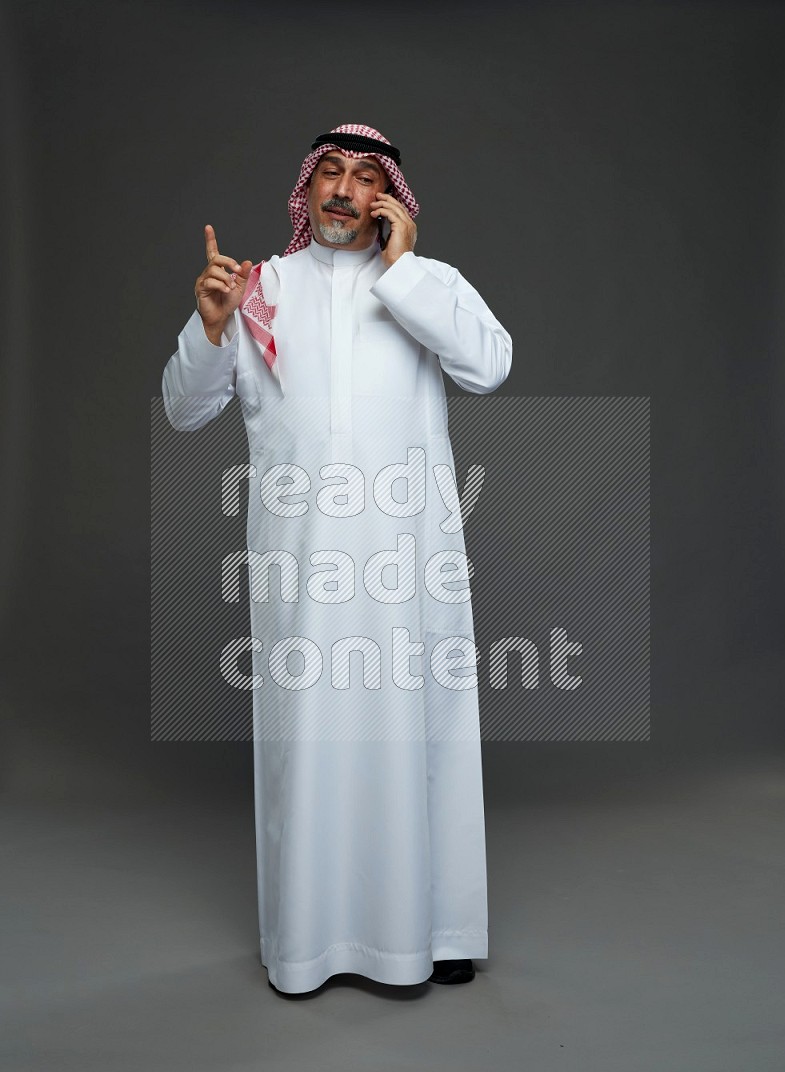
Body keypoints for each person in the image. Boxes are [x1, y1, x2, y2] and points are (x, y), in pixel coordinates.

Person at [161, 123, 512, 994]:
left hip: (408, 563)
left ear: (388, 196)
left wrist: (405, 272)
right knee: (307, 746)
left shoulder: (424, 285)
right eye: (330, 174)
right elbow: (183, 411)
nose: (345, 191)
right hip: (302, 569)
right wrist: (210, 330)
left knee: (422, 734)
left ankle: (440, 927)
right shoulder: (260, 291)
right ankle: (309, 943)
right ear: (305, 189)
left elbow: (490, 365)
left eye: (364, 178)